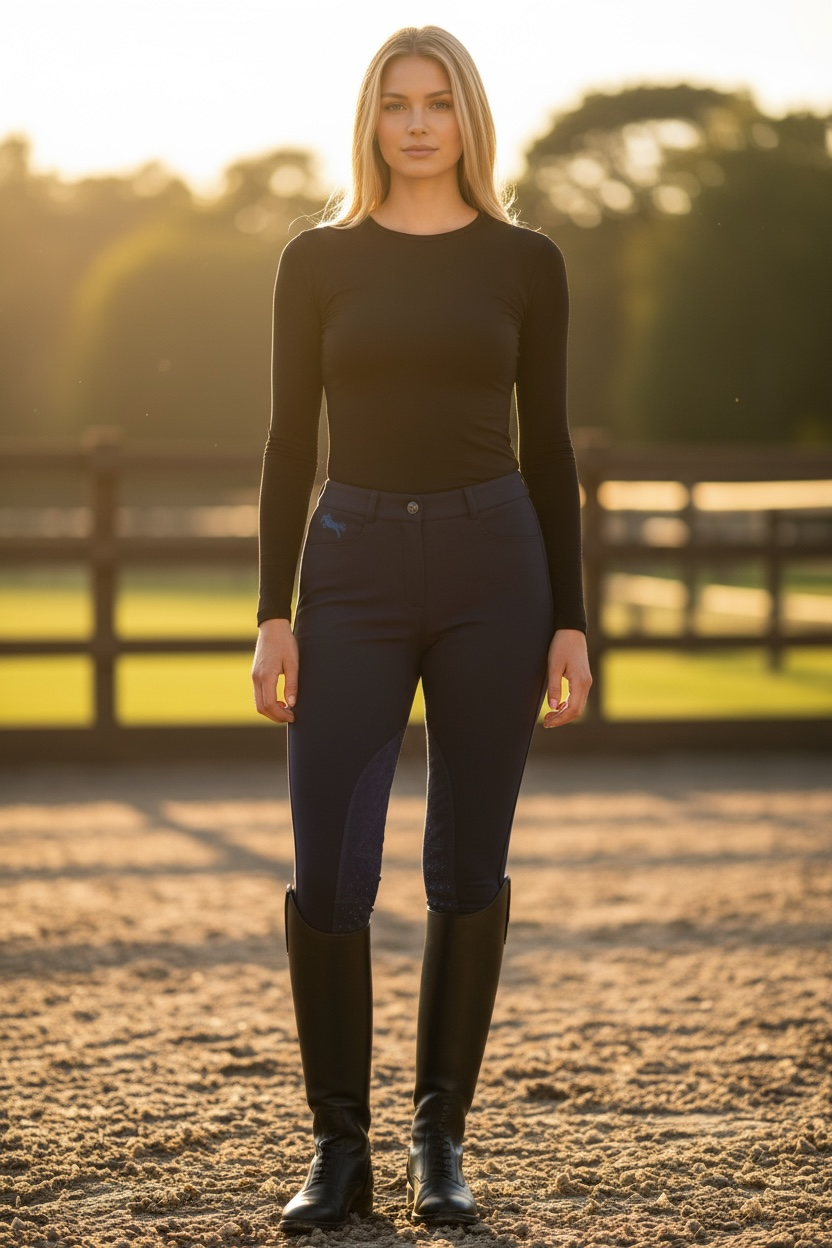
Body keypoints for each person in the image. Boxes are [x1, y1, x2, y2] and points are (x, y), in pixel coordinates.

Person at [251, 24, 591, 1234]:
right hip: (348, 569)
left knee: (468, 860)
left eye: (435, 101)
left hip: (496, 569)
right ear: (370, 118)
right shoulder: (316, 258)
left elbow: (547, 446)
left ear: (467, 118)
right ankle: (336, 1149)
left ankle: (438, 1139)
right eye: (394, 102)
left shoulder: (527, 260)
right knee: (330, 870)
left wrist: (570, 619)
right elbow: (292, 443)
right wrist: (272, 613)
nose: (414, 122)